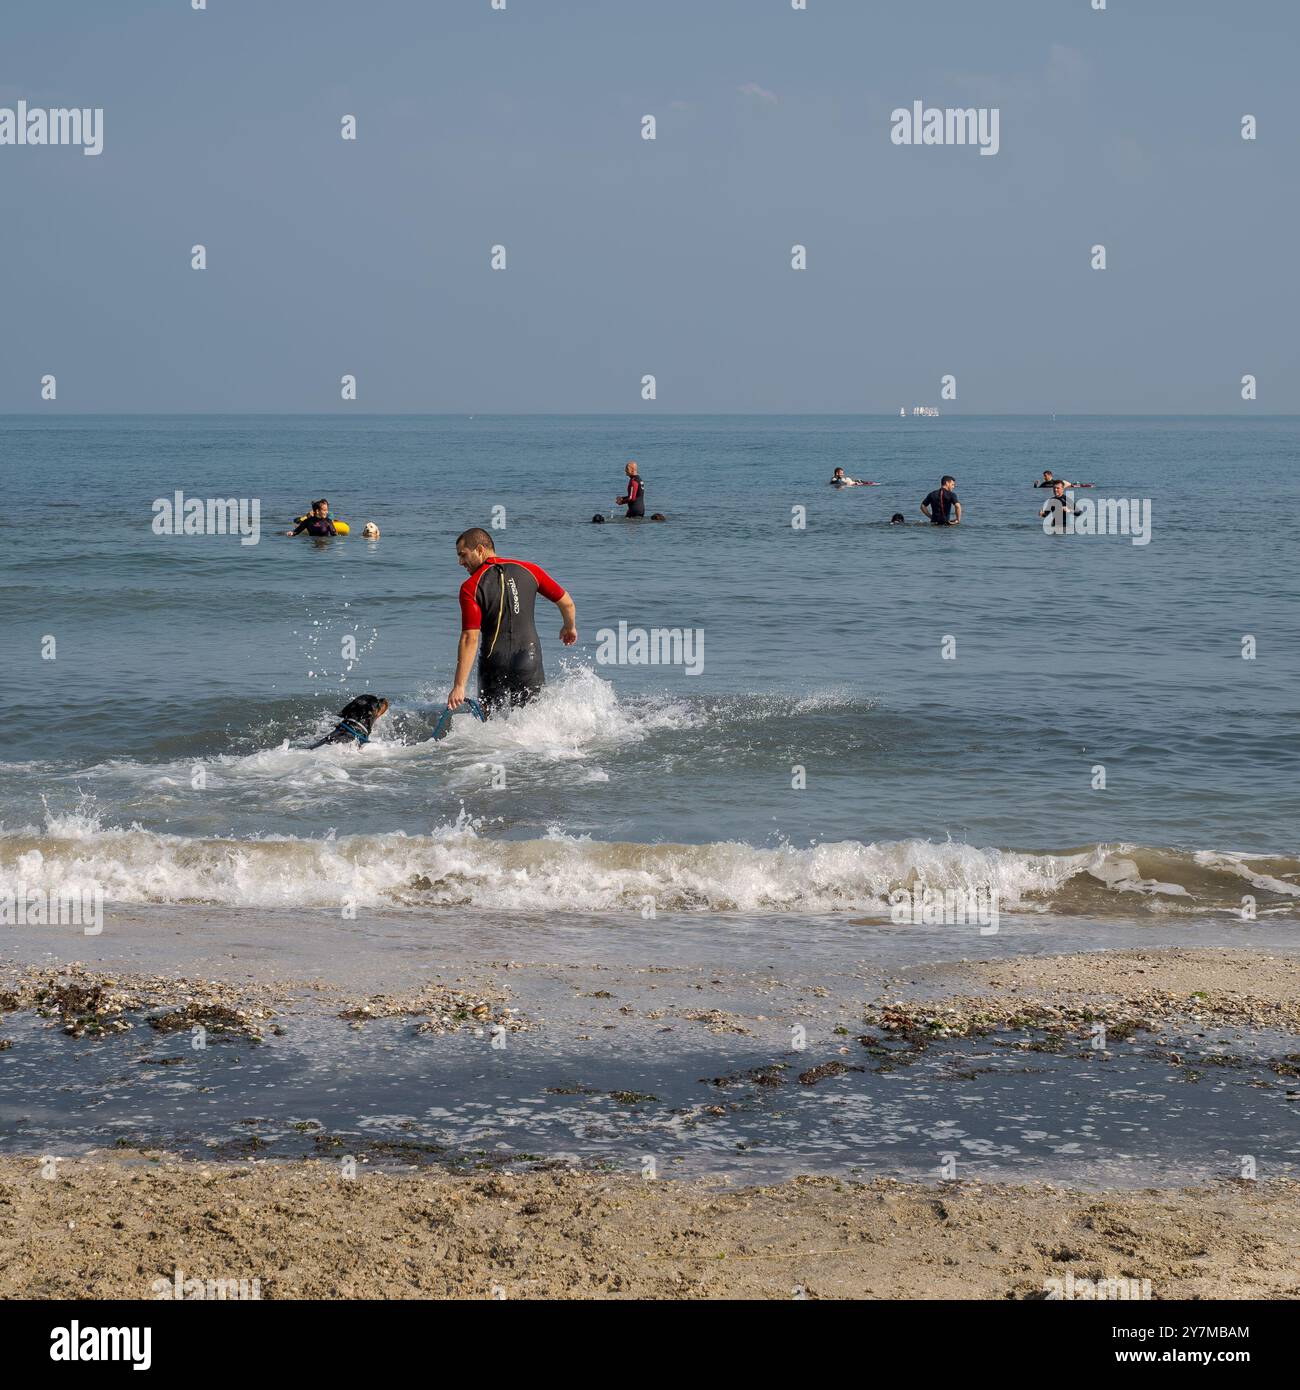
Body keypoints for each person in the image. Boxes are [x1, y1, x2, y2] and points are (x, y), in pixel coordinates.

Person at [448, 528, 577, 716]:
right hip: (528, 659)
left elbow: (470, 638)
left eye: (463, 555)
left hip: (493, 664)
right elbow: (567, 602)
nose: (460, 562)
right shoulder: (530, 569)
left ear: (480, 549)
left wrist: (459, 686)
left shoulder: (470, 587)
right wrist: (569, 627)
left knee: (489, 729)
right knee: (531, 725)